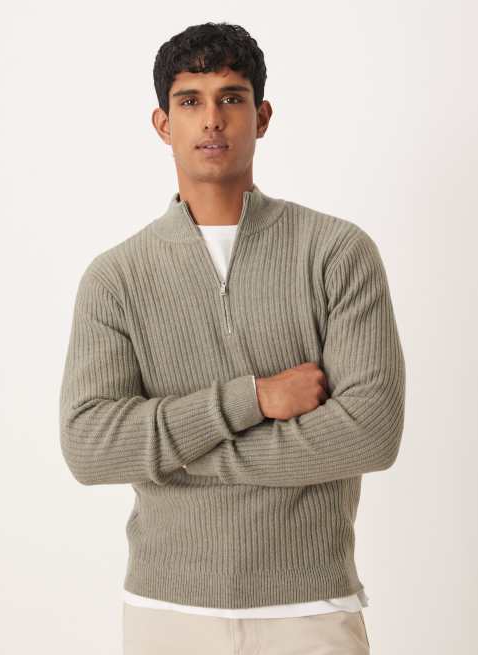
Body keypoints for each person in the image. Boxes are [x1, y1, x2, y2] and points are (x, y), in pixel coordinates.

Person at [59, 21, 405, 654]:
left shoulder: (336, 253)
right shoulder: (116, 277)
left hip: (311, 609)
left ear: (261, 116)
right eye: (190, 101)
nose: (211, 119)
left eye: (231, 97)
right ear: (163, 123)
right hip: (167, 612)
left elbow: (370, 433)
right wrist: (254, 399)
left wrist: (175, 455)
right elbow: (90, 447)